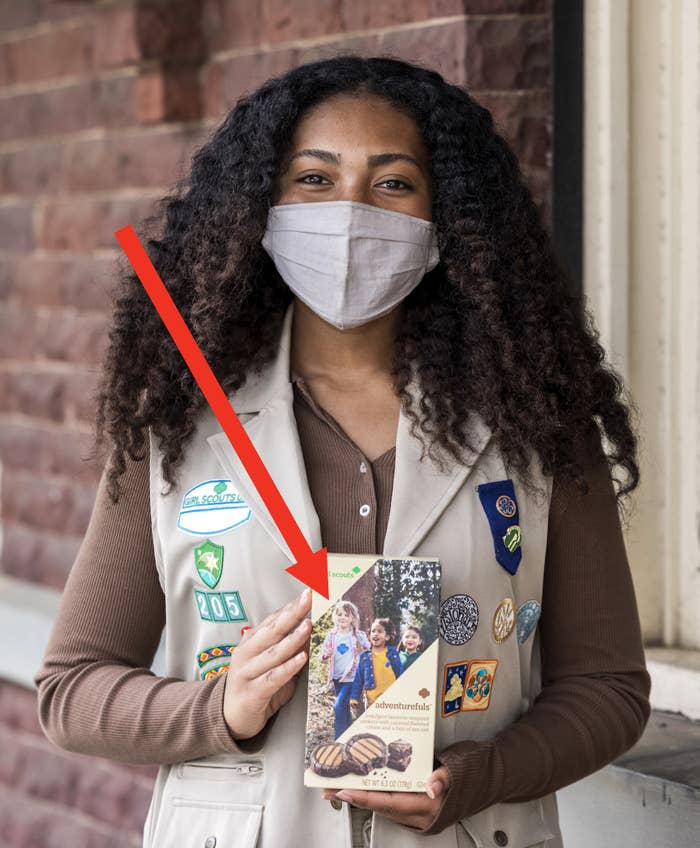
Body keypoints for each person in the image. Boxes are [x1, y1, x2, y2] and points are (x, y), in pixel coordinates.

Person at [33, 54, 650, 848]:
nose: (350, 213)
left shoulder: (538, 422)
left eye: (393, 183)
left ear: (445, 221)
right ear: (261, 206)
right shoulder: (177, 423)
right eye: (314, 180)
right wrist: (219, 710)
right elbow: (70, 693)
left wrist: (477, 777)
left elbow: (610, 689)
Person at [320, 600, 370, 737]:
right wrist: (326, 655)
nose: (342, 617)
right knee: (343, 708)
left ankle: (340, 739)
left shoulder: (358, 635)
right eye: (339, 614)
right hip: (337, 677)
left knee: (338, 707)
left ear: (352, 618)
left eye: (346, 615)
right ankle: (349, 736)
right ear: (335, 617)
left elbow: (368, 651)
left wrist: (362, 649)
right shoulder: (332, 635)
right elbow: (322, 657)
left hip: (352, 677)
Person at [349, 618, 403, 711]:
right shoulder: (364, 657)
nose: (375, 634)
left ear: (387, 637)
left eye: (380, 631)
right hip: (371, 702)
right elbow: (358, 679)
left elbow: (400, 673)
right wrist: (354, 697)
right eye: (373, 631)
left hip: (391, 701)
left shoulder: (393, 654)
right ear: (369, 636)